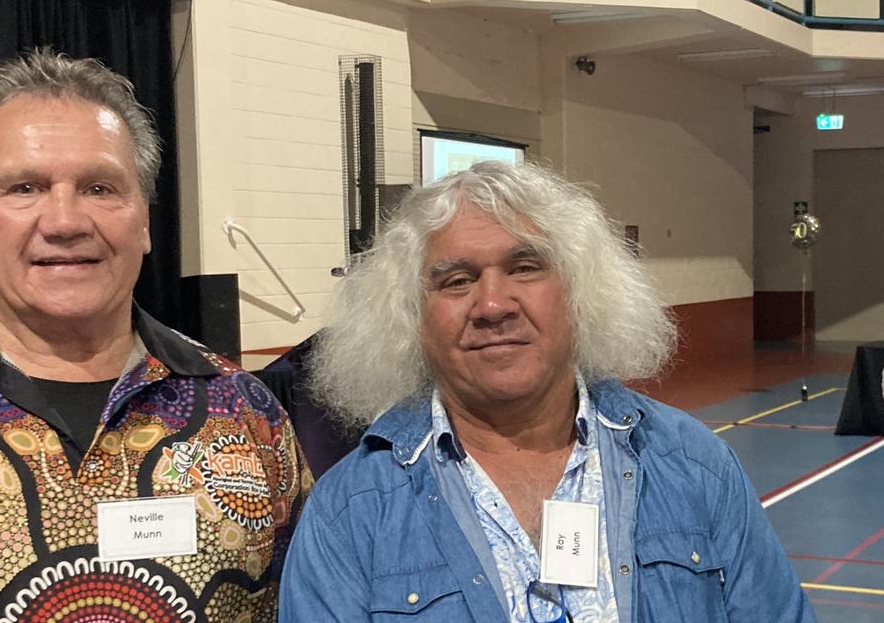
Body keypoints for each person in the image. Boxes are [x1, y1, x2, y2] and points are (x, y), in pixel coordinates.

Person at [280, 161, 812, 622]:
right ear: (412, 319)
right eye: (456, 280)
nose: (493, 305)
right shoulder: (350, 512)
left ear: (580, 294)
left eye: (525, 267)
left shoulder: (694, 465)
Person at [0, 49, 310, 621]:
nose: (64, 222)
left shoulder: (245, 411)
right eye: (25, 188)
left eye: (99, 188)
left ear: (143, 219)